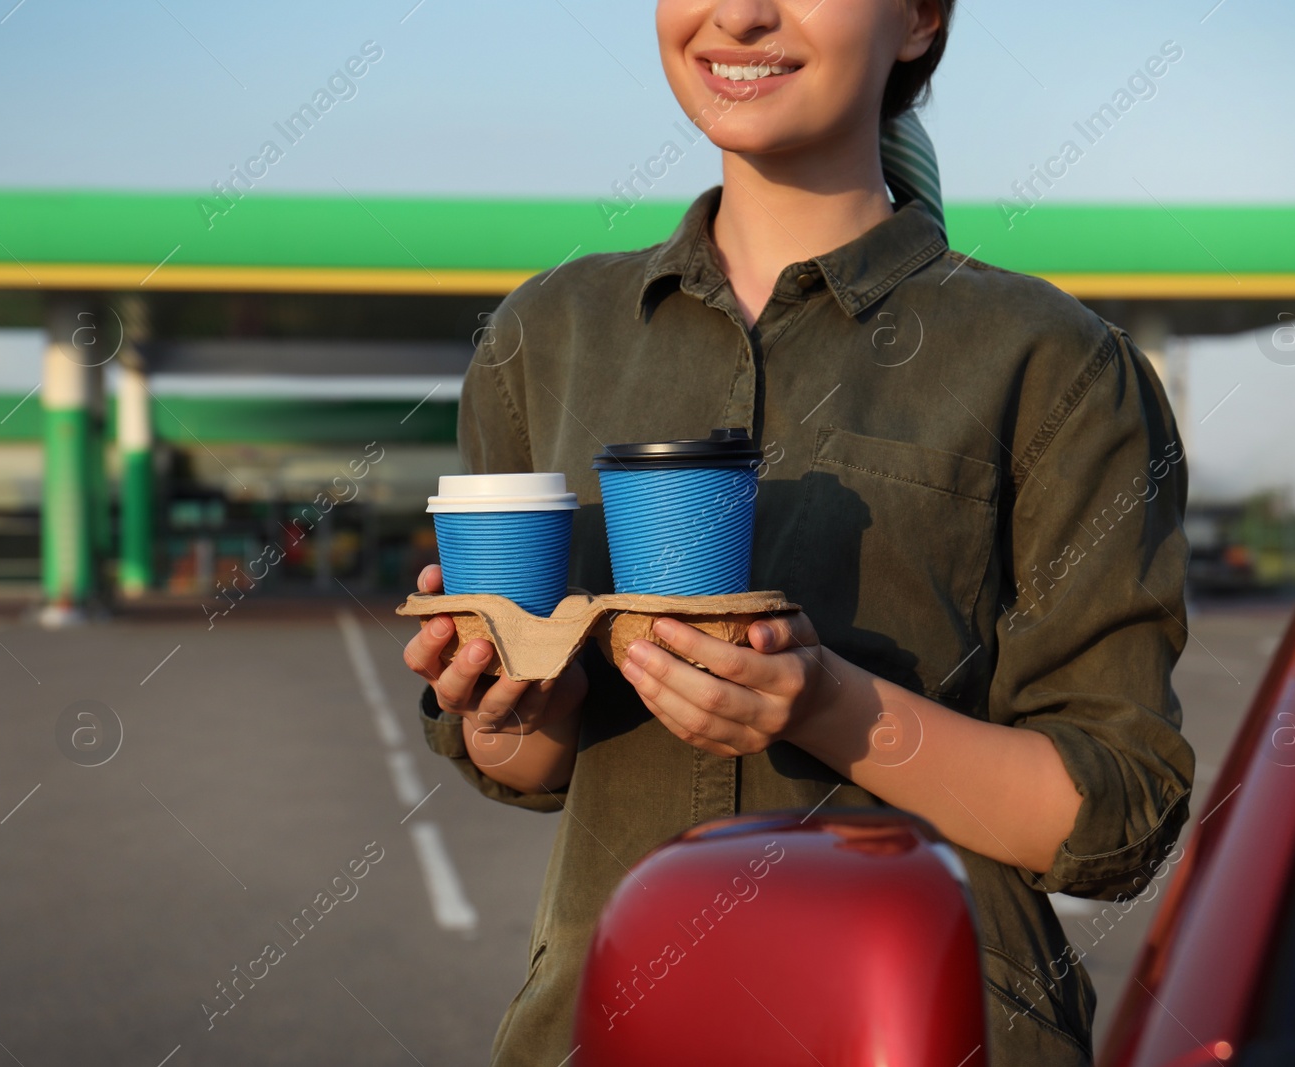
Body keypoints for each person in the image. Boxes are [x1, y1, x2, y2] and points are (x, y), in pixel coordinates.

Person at [403, 2, 1194, 1064]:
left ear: (918, 19)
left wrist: (826, 702)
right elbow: (529, 762)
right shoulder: (543, 337)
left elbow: (1115, 810)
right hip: (602, 1031)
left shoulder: (1056, 363)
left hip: (935, 1032)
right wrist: (508, 698)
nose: (738, 14)